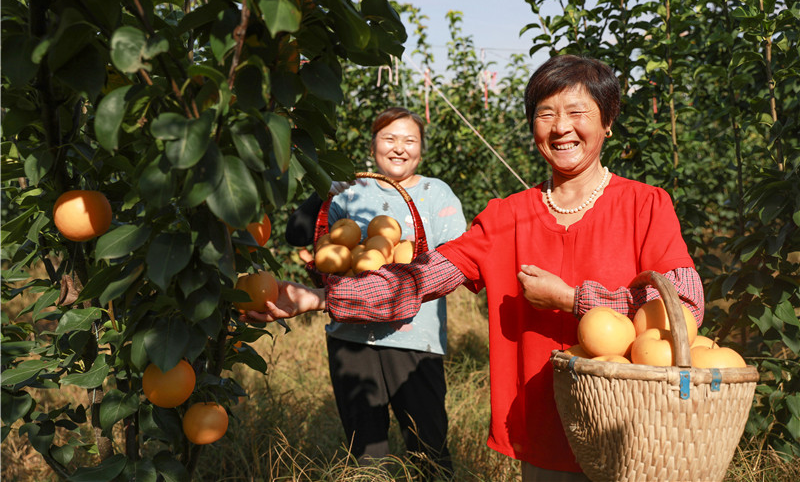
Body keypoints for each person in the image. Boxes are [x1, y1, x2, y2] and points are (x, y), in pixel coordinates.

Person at [249, 55, 704, 481]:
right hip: (543, 425)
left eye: (577, 112)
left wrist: (573, 300)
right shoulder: (506, 217)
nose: (561, 127)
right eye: (546, 114)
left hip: (635, 425)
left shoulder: (645, 205)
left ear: (607, 123)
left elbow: (685, 305)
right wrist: (320, 298)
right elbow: (421, 278)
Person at [283, 107, 467, 477]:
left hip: (416, 339)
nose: (399, 148)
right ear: (373, 146)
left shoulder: (435, 193)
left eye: (409, 140)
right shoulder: (352, 190)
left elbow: (456, 259)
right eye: (389, 138)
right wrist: (323, 194)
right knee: (366, 450)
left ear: (421, 149)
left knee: (428, 445)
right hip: (350, 336)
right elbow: (297, 234)